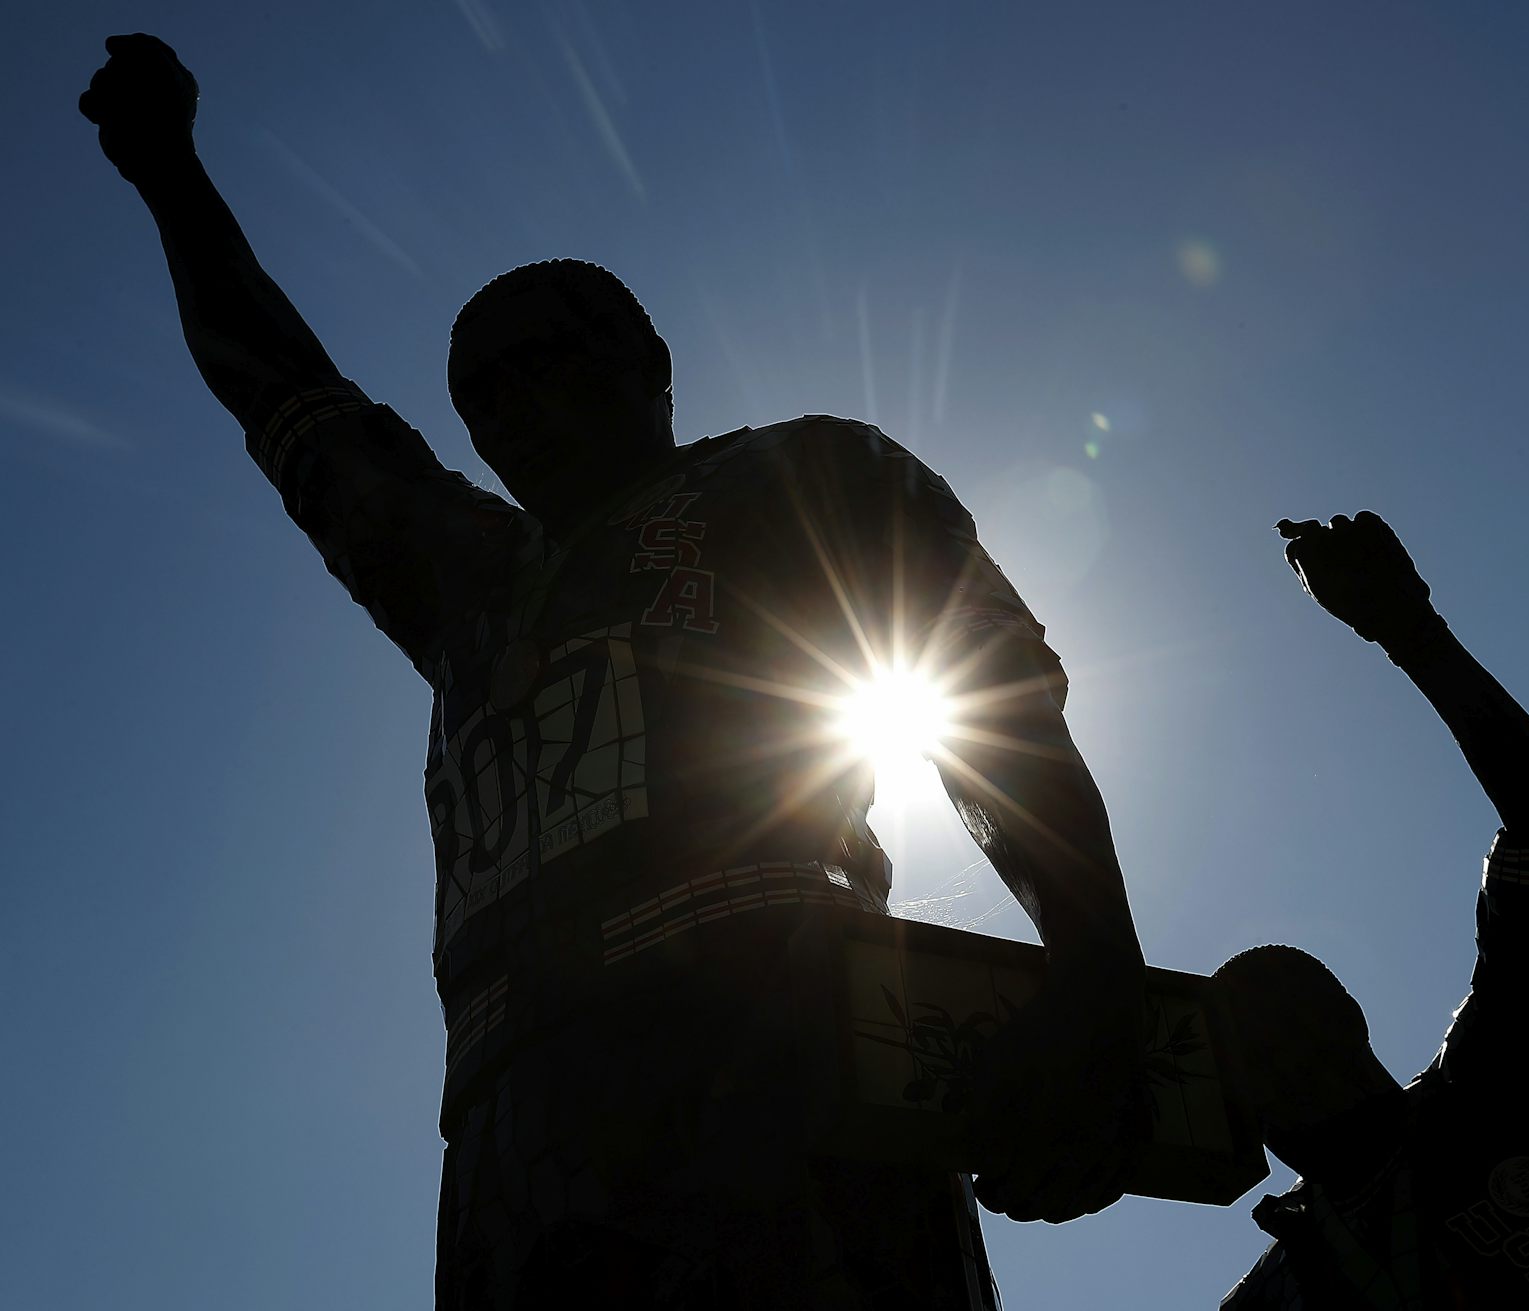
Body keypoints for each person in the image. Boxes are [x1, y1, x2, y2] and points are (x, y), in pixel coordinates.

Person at [81, 34, 1145, 1309]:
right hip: (511, 1130)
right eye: (479, 395)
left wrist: (1097, 985)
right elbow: (282, 388)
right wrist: (169, 175)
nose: (509, 408)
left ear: (648, 362)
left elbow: (997, 711)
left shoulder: (806, 475)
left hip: (785, 1060)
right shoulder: (466, 578)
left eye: (545, 362)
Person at [1215, 511, 1529, 1309]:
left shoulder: (1503, 1086)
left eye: (1285, 1027)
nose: (1273, 1063)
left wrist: (1413, 635)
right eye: (1238, 1053)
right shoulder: (1272, 1296)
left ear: (1348, 1017)